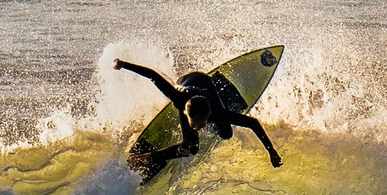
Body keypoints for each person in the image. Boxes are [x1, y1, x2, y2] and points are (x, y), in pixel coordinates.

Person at [114, 58, 282, 171]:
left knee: (226, 134)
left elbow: (253, 123)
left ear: (208, 116)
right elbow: (153, 75)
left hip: (206, 82)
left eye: (201, 125)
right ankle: (149, 157)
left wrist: (271, 151)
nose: (196, 128)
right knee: (191, 148)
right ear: (187, 112)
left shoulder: (219, 113)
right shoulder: (178, 99)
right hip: (186, 82)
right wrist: (123, 64)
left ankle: (219, 86)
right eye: (194, 124)